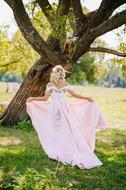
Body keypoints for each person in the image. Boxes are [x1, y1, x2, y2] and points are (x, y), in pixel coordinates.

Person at [26, 65, 107, 170]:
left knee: (57, 131)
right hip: (64, 109)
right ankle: (67, 148)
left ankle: (61, 149)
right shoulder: (65, 84)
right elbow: (75, 95)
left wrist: (33, 98)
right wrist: (86, 97)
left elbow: (45, 99)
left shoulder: (50, 84)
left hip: (55, 109)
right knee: (67, 130)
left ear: (54, 74)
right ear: (62, 74)